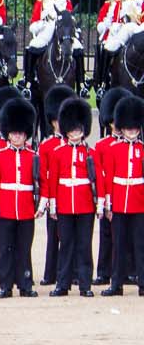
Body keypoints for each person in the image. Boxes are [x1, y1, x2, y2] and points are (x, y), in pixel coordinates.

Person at [0, 97, 41, 297]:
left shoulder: (33, 156)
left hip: (25, 208)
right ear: (8, 134)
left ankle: (25, 285)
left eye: (21, 134)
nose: (17, 137)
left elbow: (38, 182)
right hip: (6, 208)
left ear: (26, 135)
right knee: (5, 249)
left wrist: (39, 204)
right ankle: (5, 286)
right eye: (14, 134)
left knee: (24, 249)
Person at [45, 96, 97, 296]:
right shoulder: (58, 152)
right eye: (72, 130)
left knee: (84, 245)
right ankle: (62, 284)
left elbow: (96, 180)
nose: (75, 133)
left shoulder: (89, 152)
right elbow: (53, 180)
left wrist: (100, 204)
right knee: (65, 245)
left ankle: (85, 285)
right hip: (65, 204)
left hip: (85, 205)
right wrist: (52, 205)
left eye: (78, 130)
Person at [98, 94, 144, 293]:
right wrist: (107, 205)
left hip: (139, 203)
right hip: (118, 203)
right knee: (118, 245)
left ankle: (143, 282)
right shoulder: (113, 150)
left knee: (140, 245)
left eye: (135, 128)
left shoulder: (143, 149)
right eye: (128, 128)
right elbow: (108, 179)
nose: (132, 131)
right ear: (122, 128)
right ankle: (116, 283)